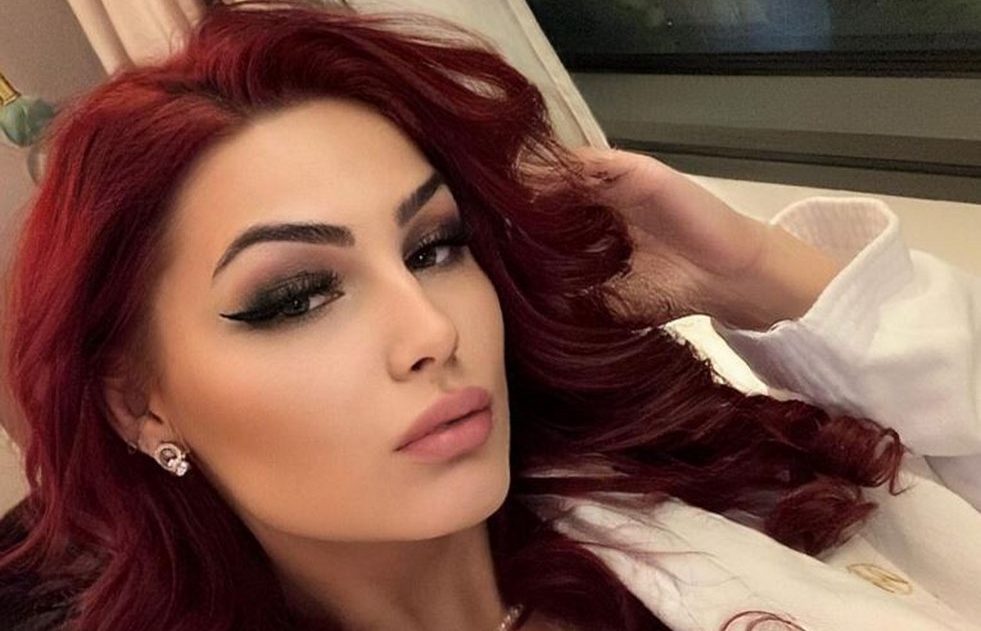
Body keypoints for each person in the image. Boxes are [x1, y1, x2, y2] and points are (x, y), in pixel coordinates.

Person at [0, 2, 978, 630]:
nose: (433, 331)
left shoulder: (695, 475)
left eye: (434, 246)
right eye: (296, 295)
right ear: (140, 403)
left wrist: (753, 271)